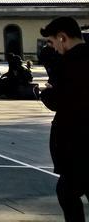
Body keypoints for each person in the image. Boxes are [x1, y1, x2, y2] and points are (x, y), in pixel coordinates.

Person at [38, 16, 89, 221]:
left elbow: (59, 101)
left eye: (51, 42)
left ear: (62, 38)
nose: (52, 48)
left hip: (76, 142)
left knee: (67, 192)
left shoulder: (68, 63)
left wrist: (46, 93)